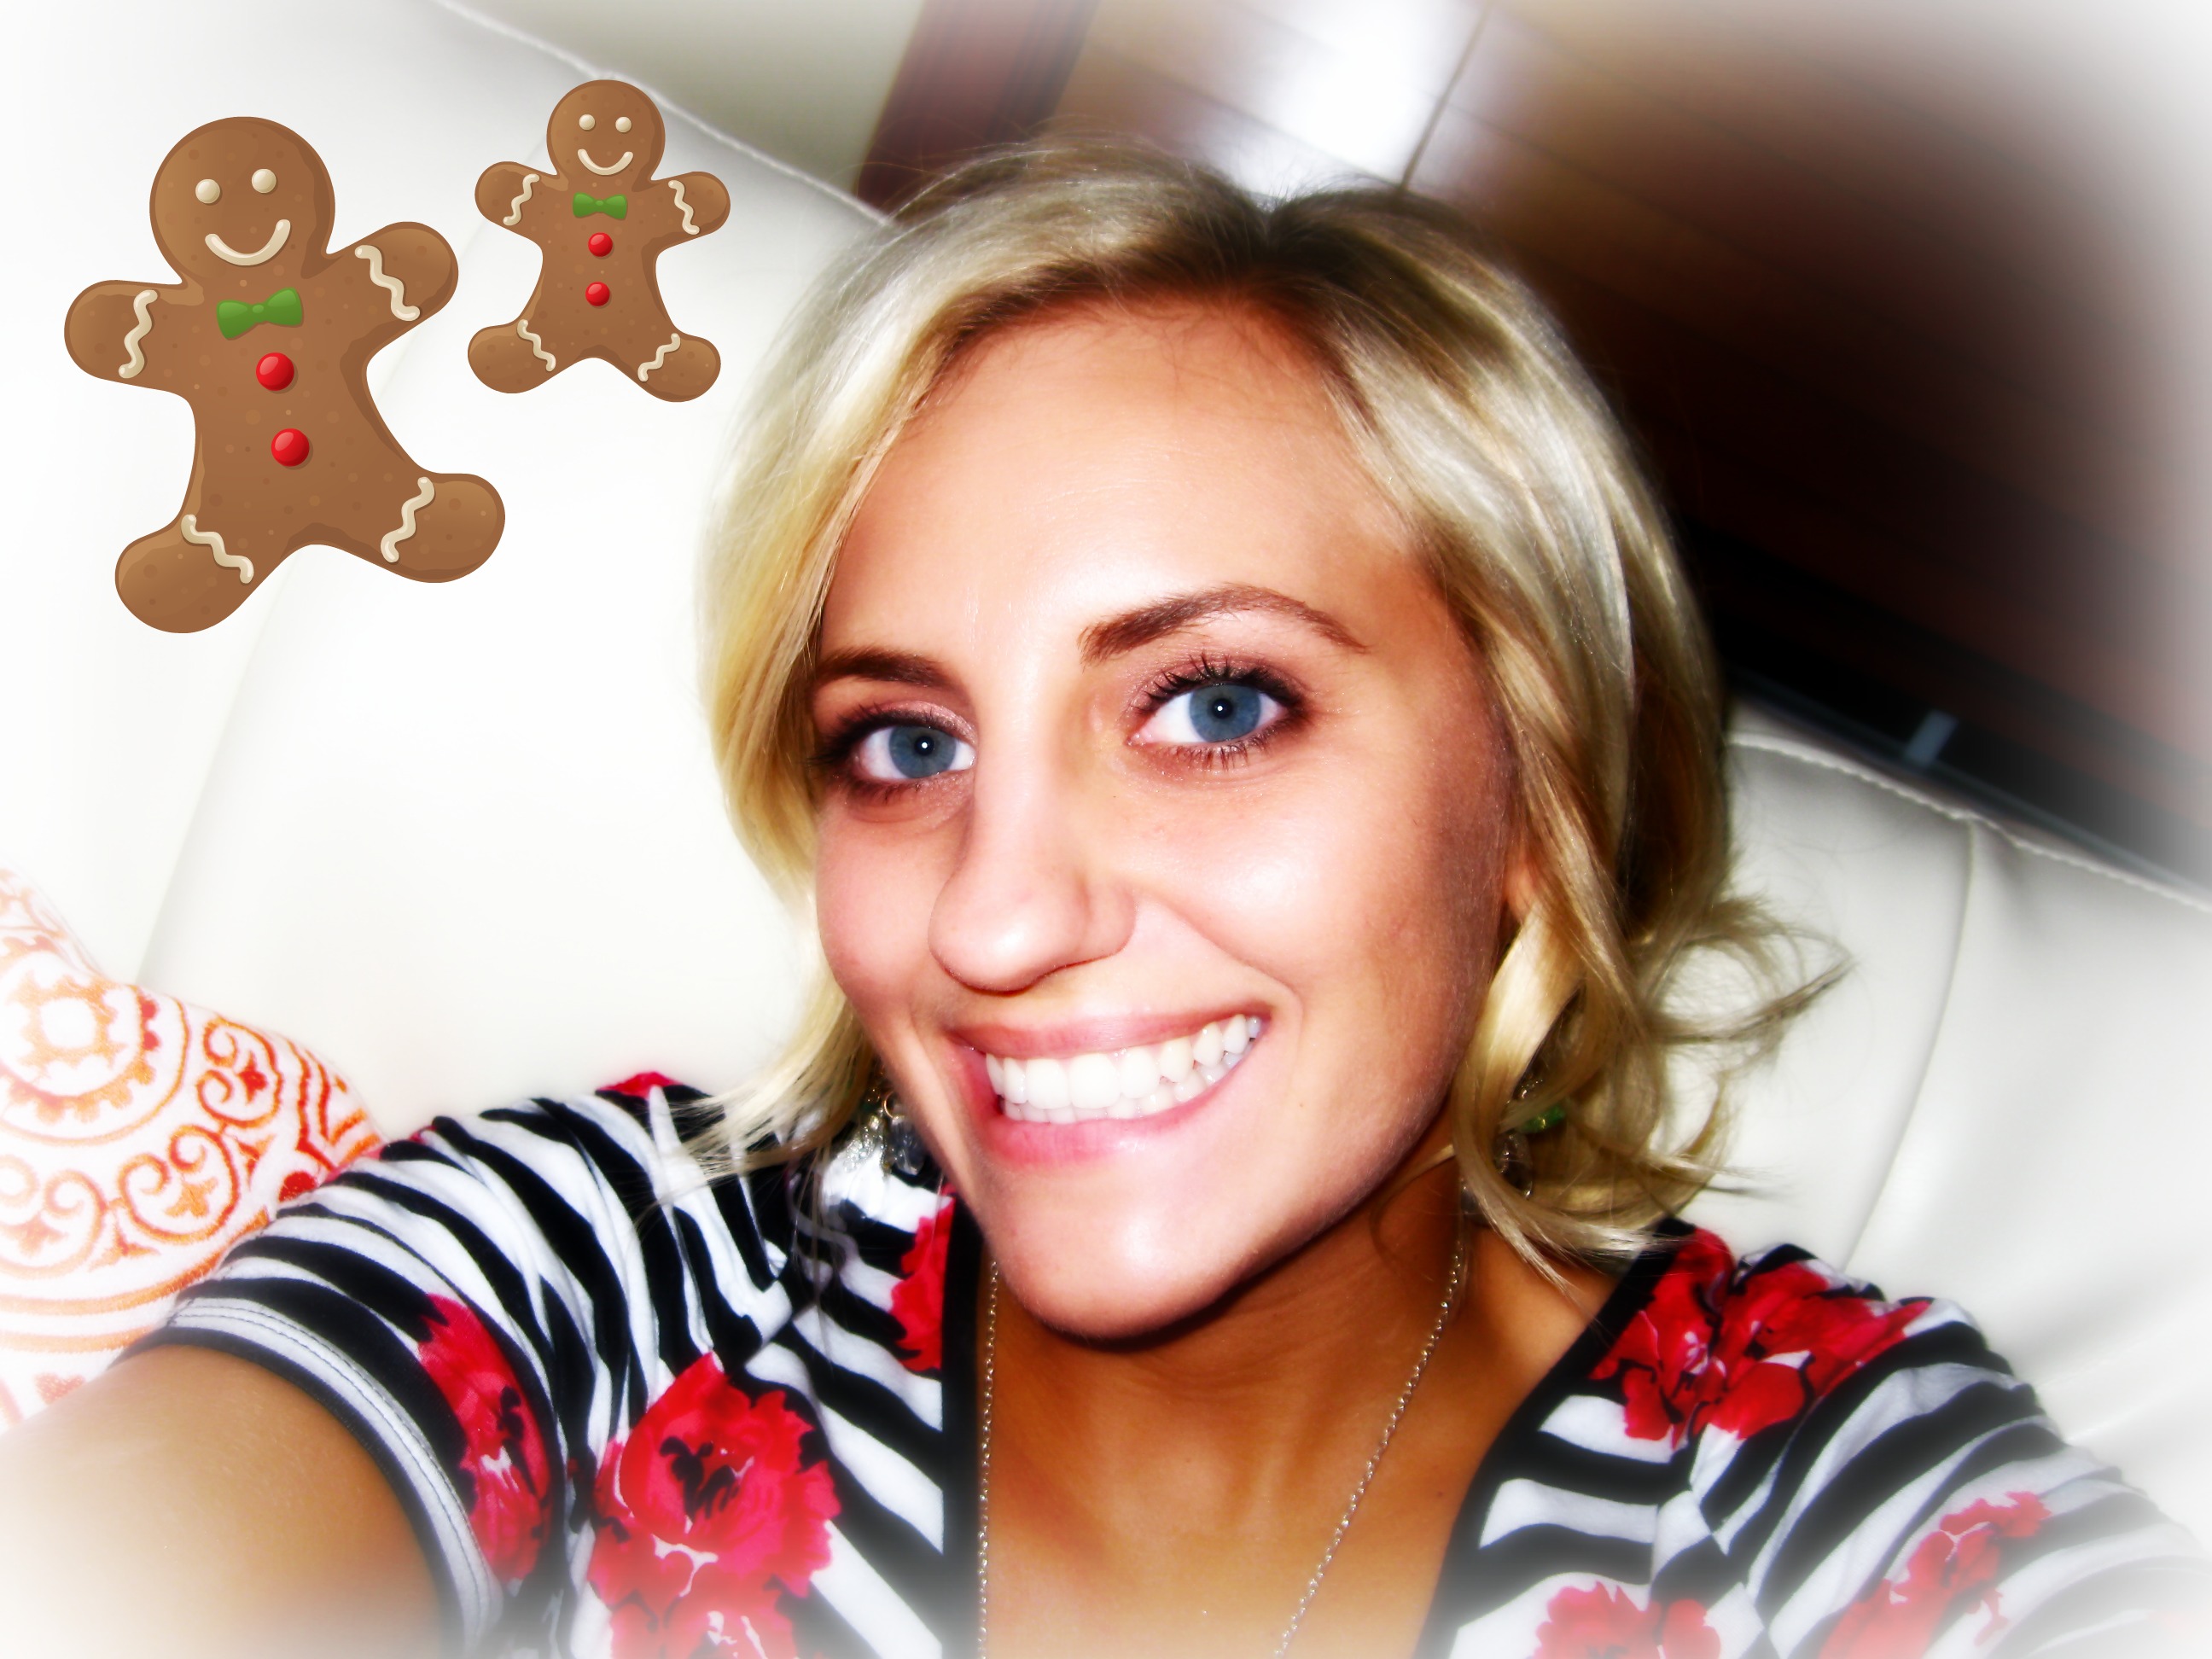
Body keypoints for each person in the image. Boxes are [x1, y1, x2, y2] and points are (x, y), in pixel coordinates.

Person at [0, 143, 2203, 1659]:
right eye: (905, 745)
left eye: (1216, 705)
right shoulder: (604, 1270)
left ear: (1539, 791)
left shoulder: (1826, 1478)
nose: (992, 922)